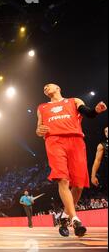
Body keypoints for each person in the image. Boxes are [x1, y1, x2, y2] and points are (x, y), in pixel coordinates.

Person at [36, 83, 107, 237]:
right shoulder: (42, 107)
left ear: (58, 88)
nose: (45, 88)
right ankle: (75, 219)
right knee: (62, 179)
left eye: (49, 86)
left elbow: (88, 113)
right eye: (44, 88)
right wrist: (39, 130)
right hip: (54, 141)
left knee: (79, 185)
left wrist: (96, 110)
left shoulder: (74, 101)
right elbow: (38, 128)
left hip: (75, 141)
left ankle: (64, 217)